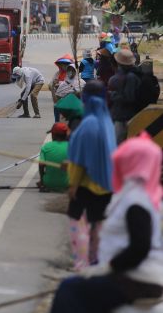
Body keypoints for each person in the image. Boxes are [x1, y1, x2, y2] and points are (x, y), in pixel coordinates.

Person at [50, 132, 163, 313]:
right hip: (138, 277)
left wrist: (108, 268)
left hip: (136, 280)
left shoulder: (136, 201)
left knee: (68, 290)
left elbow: (140, 247)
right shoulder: (147, 195)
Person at [66, 80, 117, 270]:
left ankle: (81, 262)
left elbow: (80, 162)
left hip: (85, 186)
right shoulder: (107, 122)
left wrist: (73, 185)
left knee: (77, 224)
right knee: (98, 226)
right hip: (106, 184)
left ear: (85, 98)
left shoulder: (88, 124)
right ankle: (96, 260)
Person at [108, 49, 141, 143]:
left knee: (118, 142)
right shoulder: (132, 75)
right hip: (126, 115)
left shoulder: (131, 77)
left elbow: (129, 98)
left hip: (124, 117)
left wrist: (113, 95)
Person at [38, 122, 70, 193]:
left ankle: (44, 182)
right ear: (66, 134)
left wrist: (42, 182)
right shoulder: (72, 146)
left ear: (53, 135)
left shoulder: (46, 147)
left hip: (49, 184)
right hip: (68, 184)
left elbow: (41, 164)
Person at [51, 54, 74, 122]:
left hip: (69, 102)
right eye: (62, 64)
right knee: (58, 120)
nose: (64, 66)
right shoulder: (57, 74)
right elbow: (51, 85)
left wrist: (60, 85)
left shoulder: (73, 75)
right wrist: (54, 85)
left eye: (66, 64)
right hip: (58, 101)